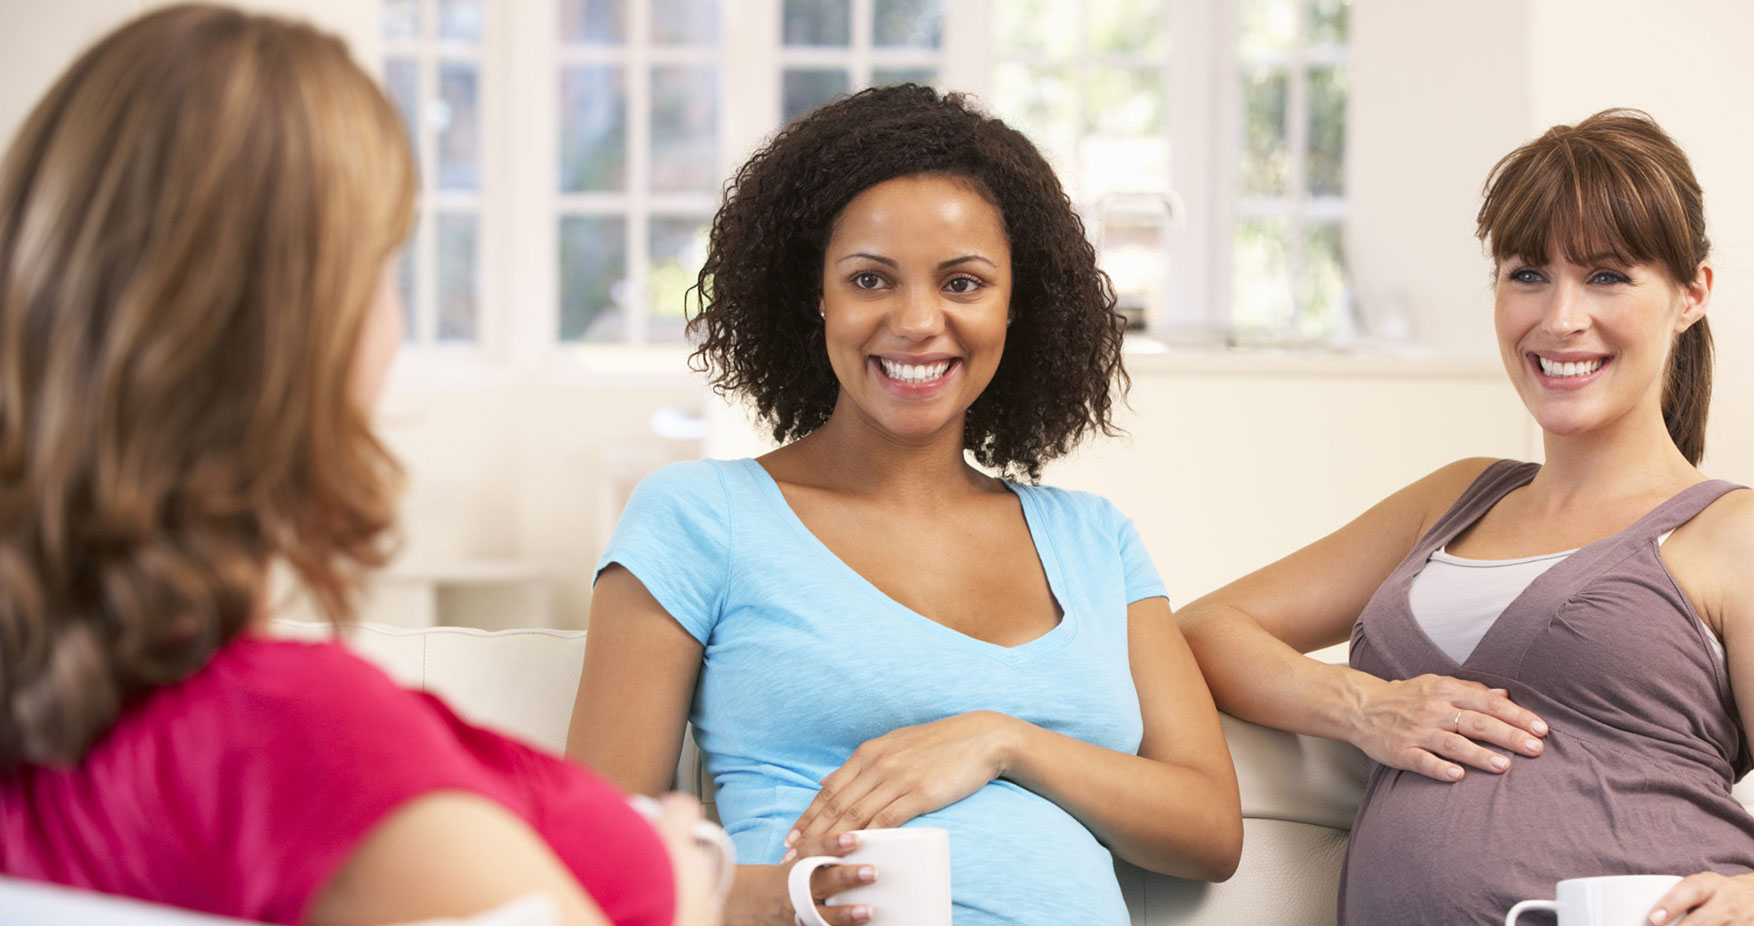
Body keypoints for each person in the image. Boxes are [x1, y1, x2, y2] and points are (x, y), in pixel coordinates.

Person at [0, 6, 719, 925]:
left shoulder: (71, 732)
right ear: (299, 333)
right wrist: (684, 896)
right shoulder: (293, 743)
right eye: (383, 268)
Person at [1177, 109, 1754, 925]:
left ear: (1692, 295)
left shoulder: (1746, 537)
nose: (1559, 318)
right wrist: (1363, 706)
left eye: (1608, 276)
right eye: (1527, 274)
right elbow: (1204, 628)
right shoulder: (1452, 500)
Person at [567, 84, 1241, 926]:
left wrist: (1002, 741)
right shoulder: (702, 517)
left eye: (963, 282)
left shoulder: (1095, 539)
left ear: (1014, 306)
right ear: (816, 295)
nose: (918, 321)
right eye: (870, 279)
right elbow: (595, 856)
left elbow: (1211, 830)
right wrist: (801, 902)